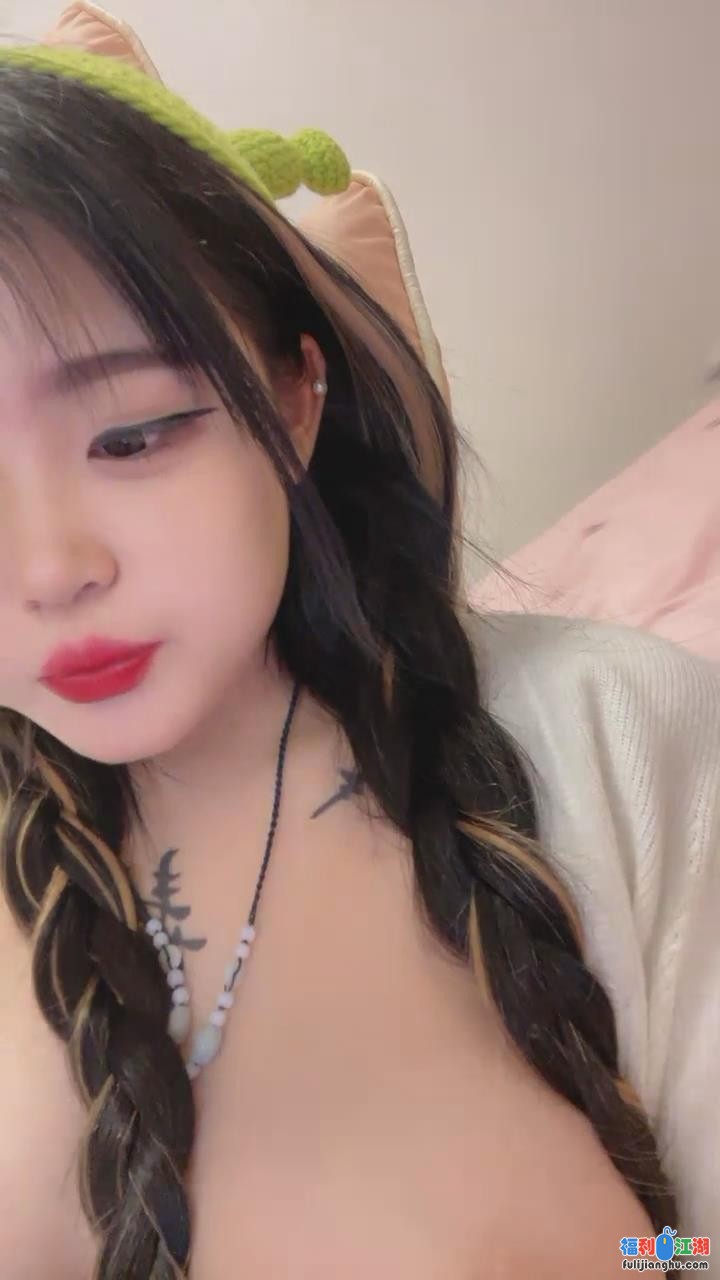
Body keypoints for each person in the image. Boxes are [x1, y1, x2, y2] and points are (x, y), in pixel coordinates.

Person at [0, 34, 717, 1280]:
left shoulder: (615, 739)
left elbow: (687, 1246)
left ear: (295, 398)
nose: (50, 567)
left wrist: (642, 1258)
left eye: (134, 435)